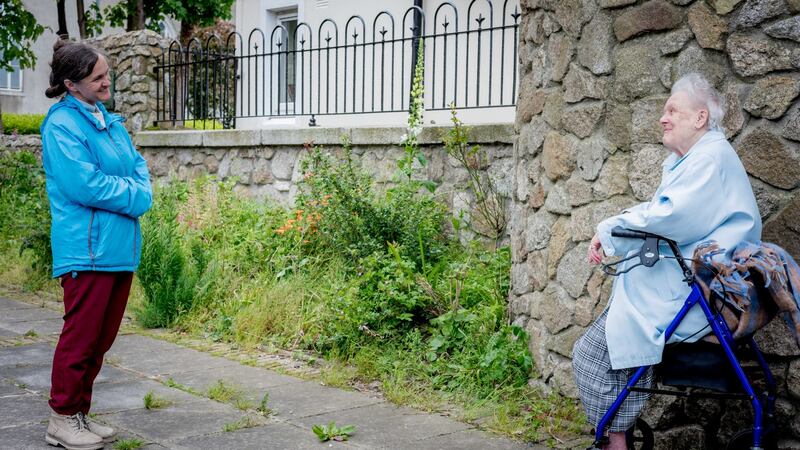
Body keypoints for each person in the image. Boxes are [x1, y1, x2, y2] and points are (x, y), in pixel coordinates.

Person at [572, 73, 761, 450]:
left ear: (700, 117)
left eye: (672, 109)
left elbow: (669, 217)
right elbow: (662, 213)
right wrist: (613, 233)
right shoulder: (696, 160)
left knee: (588, 353)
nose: (663, 117)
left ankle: (616, 438)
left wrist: (610, 228)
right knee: (601, 348)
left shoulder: (709, 158)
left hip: (691, 294)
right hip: (684, 286)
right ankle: (618, 434)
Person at [41, 40, 152, 450]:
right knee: (81, 338)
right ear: (72, 84)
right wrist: (137, 196)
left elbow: (138, 166)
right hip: (86, 250)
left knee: (101, 339)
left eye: (107, 74)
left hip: (118, 247)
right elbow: (84, 185)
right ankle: (61, 418)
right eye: (98, 78)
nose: (107, 82)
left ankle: (79, 415)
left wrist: (135, 187)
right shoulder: (62, 126)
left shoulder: (108, 120)